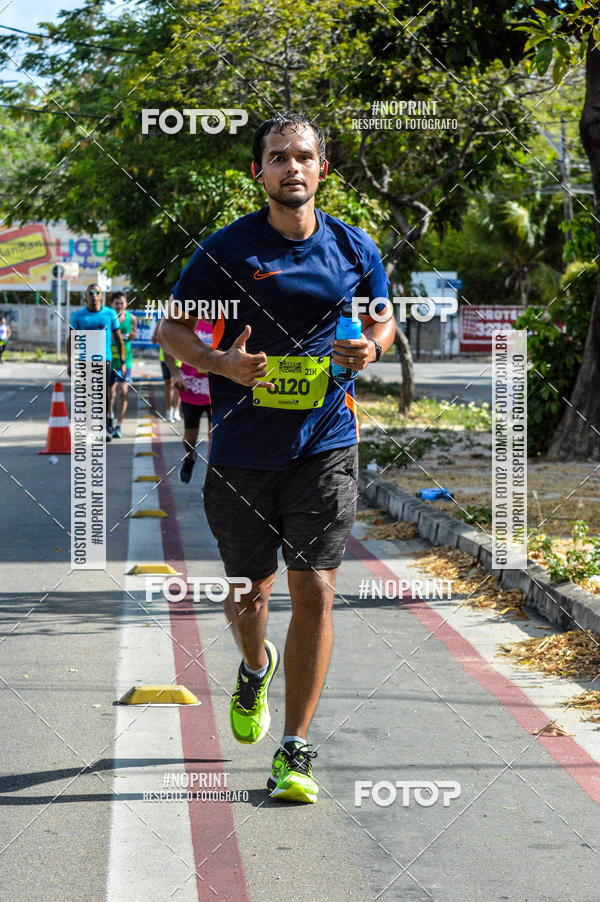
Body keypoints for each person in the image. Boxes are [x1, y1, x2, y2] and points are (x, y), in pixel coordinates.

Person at [159, 112, 395, 804]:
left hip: (326, 441)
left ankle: (295, 748)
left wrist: (372, 348)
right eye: (277, 157)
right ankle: (254, 666)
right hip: (243, 450)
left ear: (323, 169)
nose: (292, 167)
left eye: (304, 156)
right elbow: (170, 326)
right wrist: (219, 363)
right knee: (249, 590)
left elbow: (383, 314)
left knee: (316, 586)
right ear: (257, 172)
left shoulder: (355, 248)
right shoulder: (228, 251)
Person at [67, 284, 125, 442]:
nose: (94, 295)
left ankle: (105, 427)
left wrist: (123, 361)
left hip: (104, 359)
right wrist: (70, 362)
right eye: (91, 292)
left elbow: (119, 339)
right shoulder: (78, 316)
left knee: (103, 394)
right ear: (86, 295)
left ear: (101, 295)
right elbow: (71, 339)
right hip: (85, 359)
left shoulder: (110, 313)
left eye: (97, 292)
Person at [163, 319, 213, 484]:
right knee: (189, 439)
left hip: (216, 391)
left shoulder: (225, 323)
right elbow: (167, 348)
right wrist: (176, 375)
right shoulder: (190, 322)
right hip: (190, 389)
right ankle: (190, 457)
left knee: (215, 438)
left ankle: (209, 483)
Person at [108, 292, 137, 438]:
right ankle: (110, 418)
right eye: (116, 303)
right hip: (109, 360)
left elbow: (134, 334)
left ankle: (119, 425)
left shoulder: (131, 318)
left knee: (123, 391)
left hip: (125, 360)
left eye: (122, 303)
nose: (119, 306)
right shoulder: (107, 317)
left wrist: (129, 336)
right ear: (112, 305)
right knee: (110, 394)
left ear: (126, 304)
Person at [151, 320, 181, 422]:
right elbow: (153, 340)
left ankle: (176, 411)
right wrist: (160, 337)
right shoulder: (161, 323)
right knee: (169, 384)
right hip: (165, 357)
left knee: (178, 384)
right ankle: (169, 410)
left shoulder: (182, 323)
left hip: (180, 357)